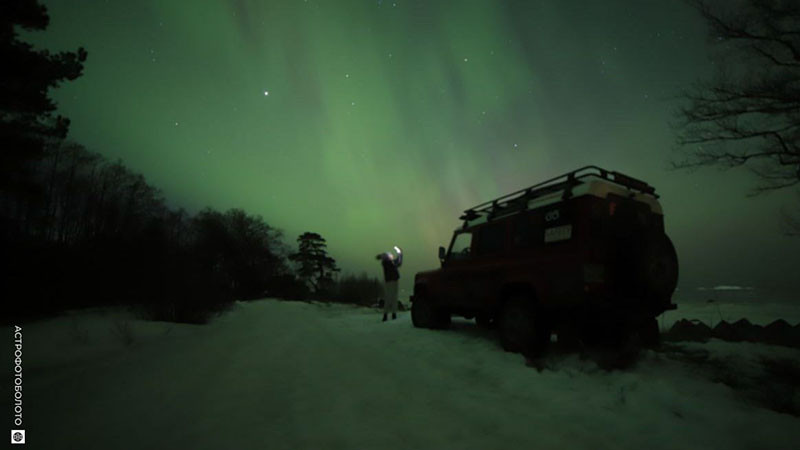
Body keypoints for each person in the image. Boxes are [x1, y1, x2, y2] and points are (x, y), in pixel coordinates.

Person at [376, 246, 402, 322]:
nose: (391, 256)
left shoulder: (389, 262)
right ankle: (387, 315)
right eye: (390, 255)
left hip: (392, 281)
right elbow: (398, 262)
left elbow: (399, 262)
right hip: (391, 281)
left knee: (391, 297)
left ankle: (390, 315)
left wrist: (399, 253)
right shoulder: (387, 263)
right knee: (390, 297)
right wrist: (399, 253)